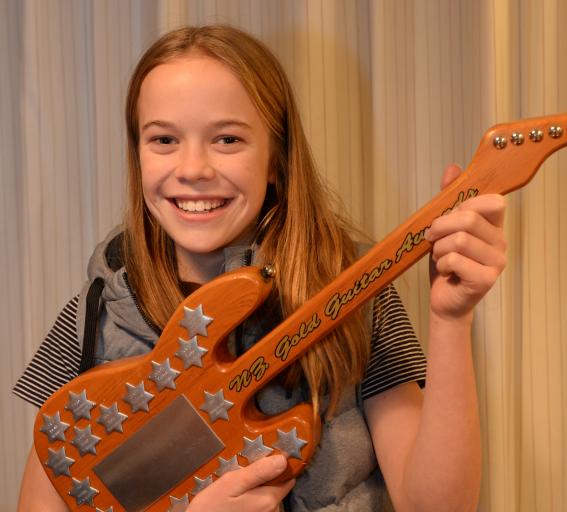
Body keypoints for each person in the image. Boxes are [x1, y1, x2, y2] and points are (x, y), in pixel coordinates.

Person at [14, 25, 506, 512]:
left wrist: (451, 320)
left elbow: (438, 506)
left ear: (277, 160)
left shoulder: (358, 291)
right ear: (137, 155)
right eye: (163, 140)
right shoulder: (93, 314)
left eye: (227, 139)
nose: (193, 168)